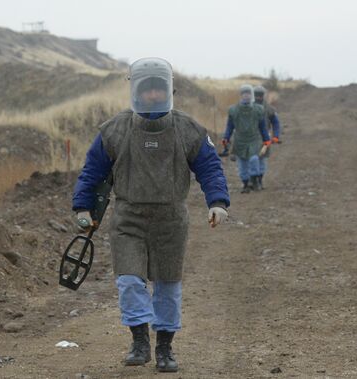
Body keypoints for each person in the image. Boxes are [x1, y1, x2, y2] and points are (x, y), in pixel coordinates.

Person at [72, 57, 230, 373]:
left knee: (168, 286)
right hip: (127, 218)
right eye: (148, 90)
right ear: (137, 92)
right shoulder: (113, 130)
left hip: (171, 220)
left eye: (160, 90)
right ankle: (139, 342)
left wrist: (218, 202)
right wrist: (82, 206)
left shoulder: (189, 129)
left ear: (169, 90)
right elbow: (92, 172)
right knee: (130, 281)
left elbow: (210, 167)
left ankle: (165, 349)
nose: (154, 96)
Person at [222, 84, 271, 193]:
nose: (246, 96)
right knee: (242, 164)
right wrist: (226, 138)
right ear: (241, 95)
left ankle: (255, 181)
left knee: (254, 159)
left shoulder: (258, 110)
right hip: (239, 140)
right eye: (244, 93)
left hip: (254, 139)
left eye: (248, 93)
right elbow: (229, 126)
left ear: (251, 95)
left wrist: (266, 139)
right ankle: (245, 185)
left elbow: (262, 126)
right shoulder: (233, 110)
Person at [254, 85, 281, 189]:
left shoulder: (269, 109)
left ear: (263, 96)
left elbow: (276, 123)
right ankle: (251, 181)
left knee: (262, 160)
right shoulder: (247, 108)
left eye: (260, 95)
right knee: (250, 160)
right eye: (256, 95)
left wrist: (276, 136)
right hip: (250, 138)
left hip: (265, 139)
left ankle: (259, 180)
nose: (258, 97)